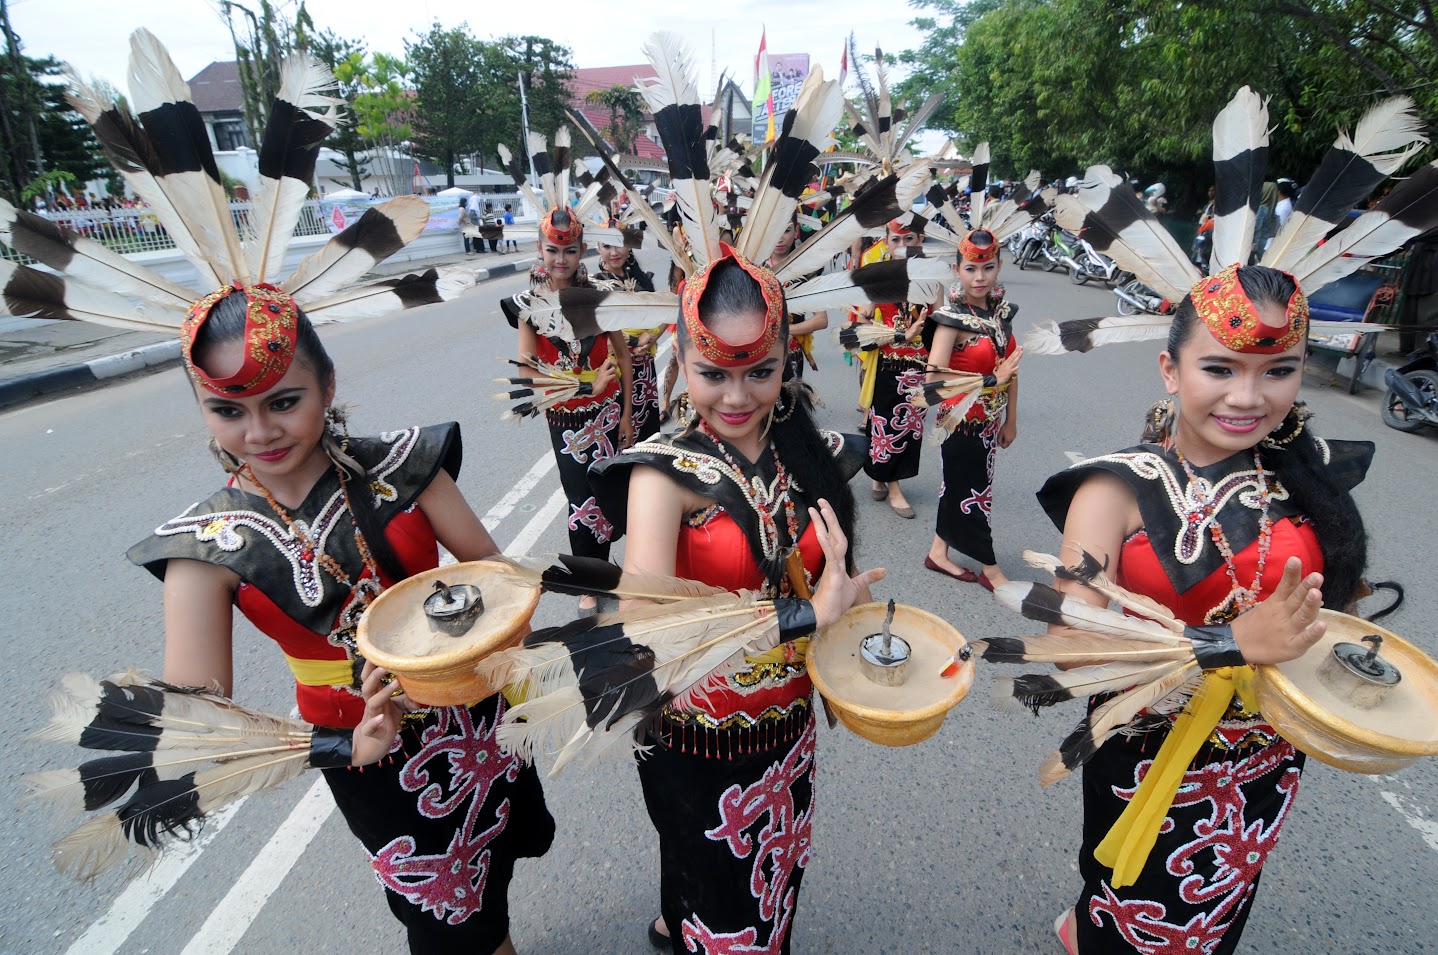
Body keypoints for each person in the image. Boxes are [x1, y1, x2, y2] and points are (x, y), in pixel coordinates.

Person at [127, 287, 556, 954]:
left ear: (327, 384)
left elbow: (499, 578)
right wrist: (341, 747)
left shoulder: (406, 467)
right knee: (440, 912)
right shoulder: (202, 549)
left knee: (492, 867)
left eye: (283, 401)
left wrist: (492, 663)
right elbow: (196, 726)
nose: (259, 431)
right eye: (227, 410)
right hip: (367, 757)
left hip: (475, 714)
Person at [1040, 265, 1372, 954]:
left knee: (1222, 904)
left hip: (1267, 755)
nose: (1248, 396)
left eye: (1278, 371)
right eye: (1219, 368)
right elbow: (1066, 649)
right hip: (1146, 753)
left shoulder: (1303, 478)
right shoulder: (1113, 492)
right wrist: (1228, 640)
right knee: (1136, 916)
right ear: (1170, 368)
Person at [590, 247, 882, 954]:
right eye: (712, 373)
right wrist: (805, 616)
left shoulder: (805, 452)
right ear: (681, 360)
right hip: (696, 735)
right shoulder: (663, 474)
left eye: (761, 370)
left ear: (788, 355)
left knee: (775, 875)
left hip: (787, 730)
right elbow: (643, 622)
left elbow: (822, 575)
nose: (736, 397)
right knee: (728, 917)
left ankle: (676, 918)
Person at [508, 208, 633, 601]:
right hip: (565, 420)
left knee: (606, 494)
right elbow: (527, 372)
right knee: (579, 501)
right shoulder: (527, 305)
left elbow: (624, 357)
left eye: (570, 251)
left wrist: (628, 412)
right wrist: (585, 382)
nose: (561, 260)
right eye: (552, 251)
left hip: (608, 415)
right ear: (539, 249)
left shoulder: (599, 298)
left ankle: (604, 570)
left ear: (582, 252)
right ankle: (588, 583)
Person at [922, 228, 1022, 590]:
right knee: (971, 495)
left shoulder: (1000, 315)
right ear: (957, 269)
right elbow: (933, 380)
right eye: (970, 269)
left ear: (999, 266)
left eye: (988, 268)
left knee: (963, 488)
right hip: (959, 423)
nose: (979, 277)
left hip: (988, 425)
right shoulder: (951, 319)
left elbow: (1012, 369)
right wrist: (991, 381)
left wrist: (1011, 420)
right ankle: (990, 568)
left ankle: (938, 552)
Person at [854, 219, 935, 521]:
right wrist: (898, 335)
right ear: (885, 242)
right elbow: (861, 324)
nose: (902, 246)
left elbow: (937, 323)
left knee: (911, 427)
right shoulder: (877, 281)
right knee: (885, 425)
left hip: (919, 366)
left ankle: (881, 475)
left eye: (908, 239)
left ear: (920, 240)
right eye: (896, 239)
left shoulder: (929, 281)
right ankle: (893, 485)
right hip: (888, 365)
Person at [594, 224, 663, 441]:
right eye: (607, 246)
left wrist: (652, 336)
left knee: (648, 435)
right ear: (597, 247)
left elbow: (662, 316)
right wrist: (635, 339)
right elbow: (600, 332)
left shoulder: (643, 280)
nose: (614, 253)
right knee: (621, 435)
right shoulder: (594, 286)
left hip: (645, 370)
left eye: (620, 245)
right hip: (616, 372)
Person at [768, 215, 829, 381]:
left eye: (786, 230)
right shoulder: (754, 268)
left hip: (791, 352)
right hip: (759, 353)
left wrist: (784, 331)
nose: (780, 238)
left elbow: (821, 320)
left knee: (791, 402)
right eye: (774, 232)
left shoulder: (806, 271)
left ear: (796, 231)